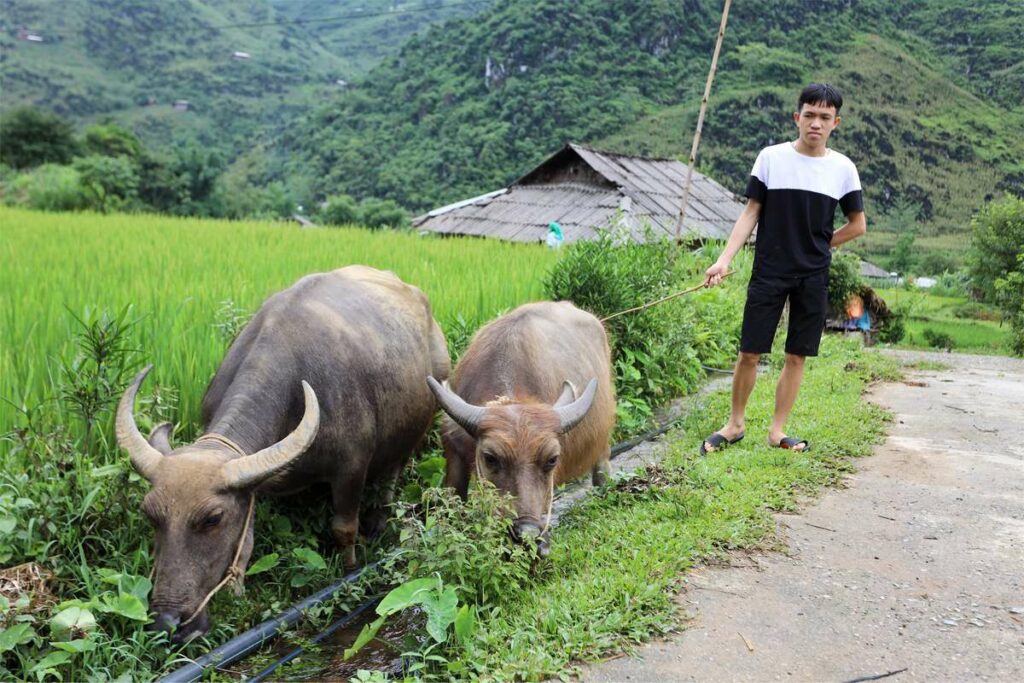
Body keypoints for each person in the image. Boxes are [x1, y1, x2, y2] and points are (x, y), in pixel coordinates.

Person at [700, 83, 867, 455]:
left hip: (813, 275)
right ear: (797, 117)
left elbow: (858, 225)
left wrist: (822, 244)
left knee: (797, 355)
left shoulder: (842, 169)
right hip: (770, 270)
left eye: (825, 117)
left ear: (835, 123)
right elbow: (750, 213)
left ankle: (777, 432)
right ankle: (735, 424)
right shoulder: (771, 158)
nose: (816, 123)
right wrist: (723, 260)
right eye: (809, 115)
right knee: (749, 351)